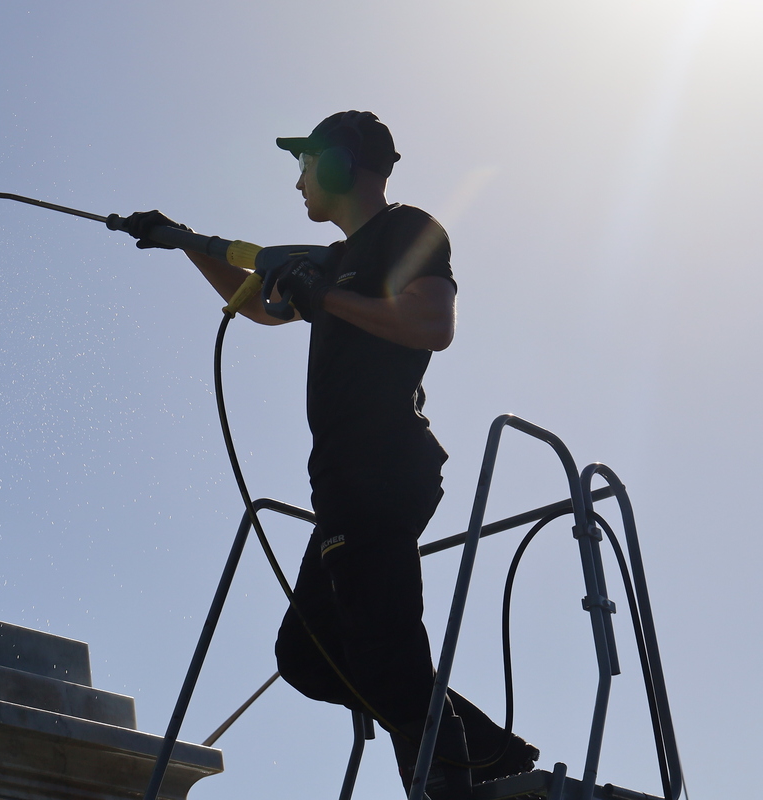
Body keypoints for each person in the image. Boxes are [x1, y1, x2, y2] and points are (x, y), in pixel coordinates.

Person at [117, 111, 537, 798]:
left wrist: (327, 297)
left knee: (382, 646)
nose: (298, 182)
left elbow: (433, 324)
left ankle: (449, 777)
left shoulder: (408, 230)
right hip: (344, 480)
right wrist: (183, 242)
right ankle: (485, 750)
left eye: (306, 164)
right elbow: (261, 304)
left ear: (342, 164)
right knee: (308, 656)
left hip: (383, 467)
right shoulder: (333, 263)